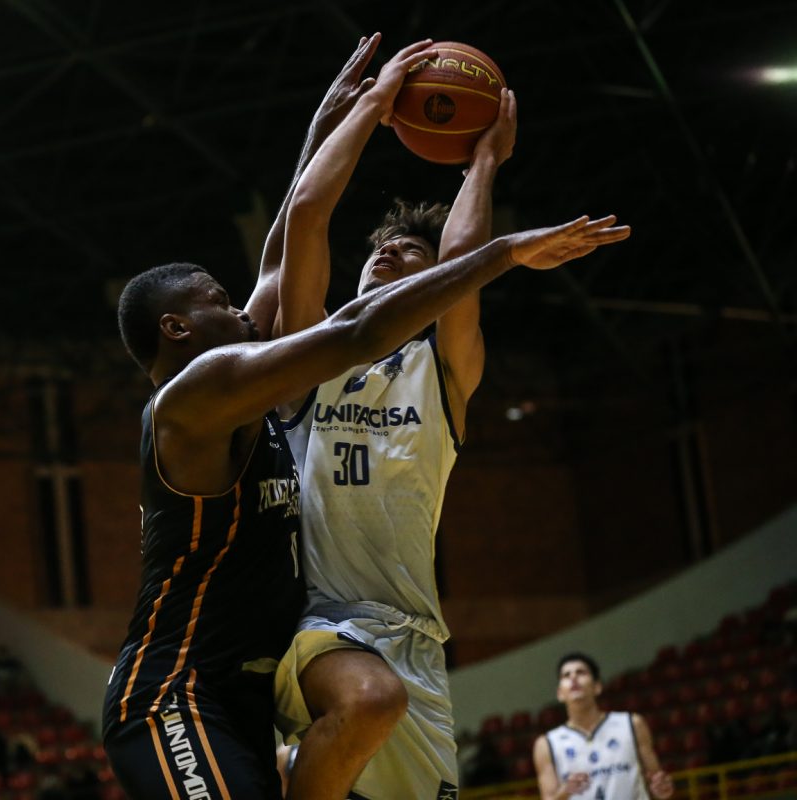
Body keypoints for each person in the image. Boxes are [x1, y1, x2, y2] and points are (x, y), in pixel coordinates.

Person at [100, 33, 631, 800]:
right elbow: (338, 300)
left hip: (295, 675)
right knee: (371, 700)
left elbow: (283, 247)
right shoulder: (206, 389)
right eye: (221, 300)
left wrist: (332, 123)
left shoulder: (287, 373)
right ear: (178, 328)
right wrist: (505, 248)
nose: (246, 308)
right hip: (190, 682)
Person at [268, 31, 518, 800]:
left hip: (417, 639)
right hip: (323, 624)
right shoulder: (313, 356)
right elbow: (307, 218)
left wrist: (482, 163)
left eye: (410, 254)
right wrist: (374, 105)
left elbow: (466, 265)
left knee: (389, 710)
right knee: (372, 700)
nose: (386, 255)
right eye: (380, 251)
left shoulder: (442, 373)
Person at [533, 653, 674, 800]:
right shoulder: (546, 744)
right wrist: (565, 791)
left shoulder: (632, 724)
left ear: (597, 687)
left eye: (581, 672)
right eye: (566, 675)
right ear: (560, 694)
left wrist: (662, 790)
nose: (573, 677)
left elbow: (656, 782)